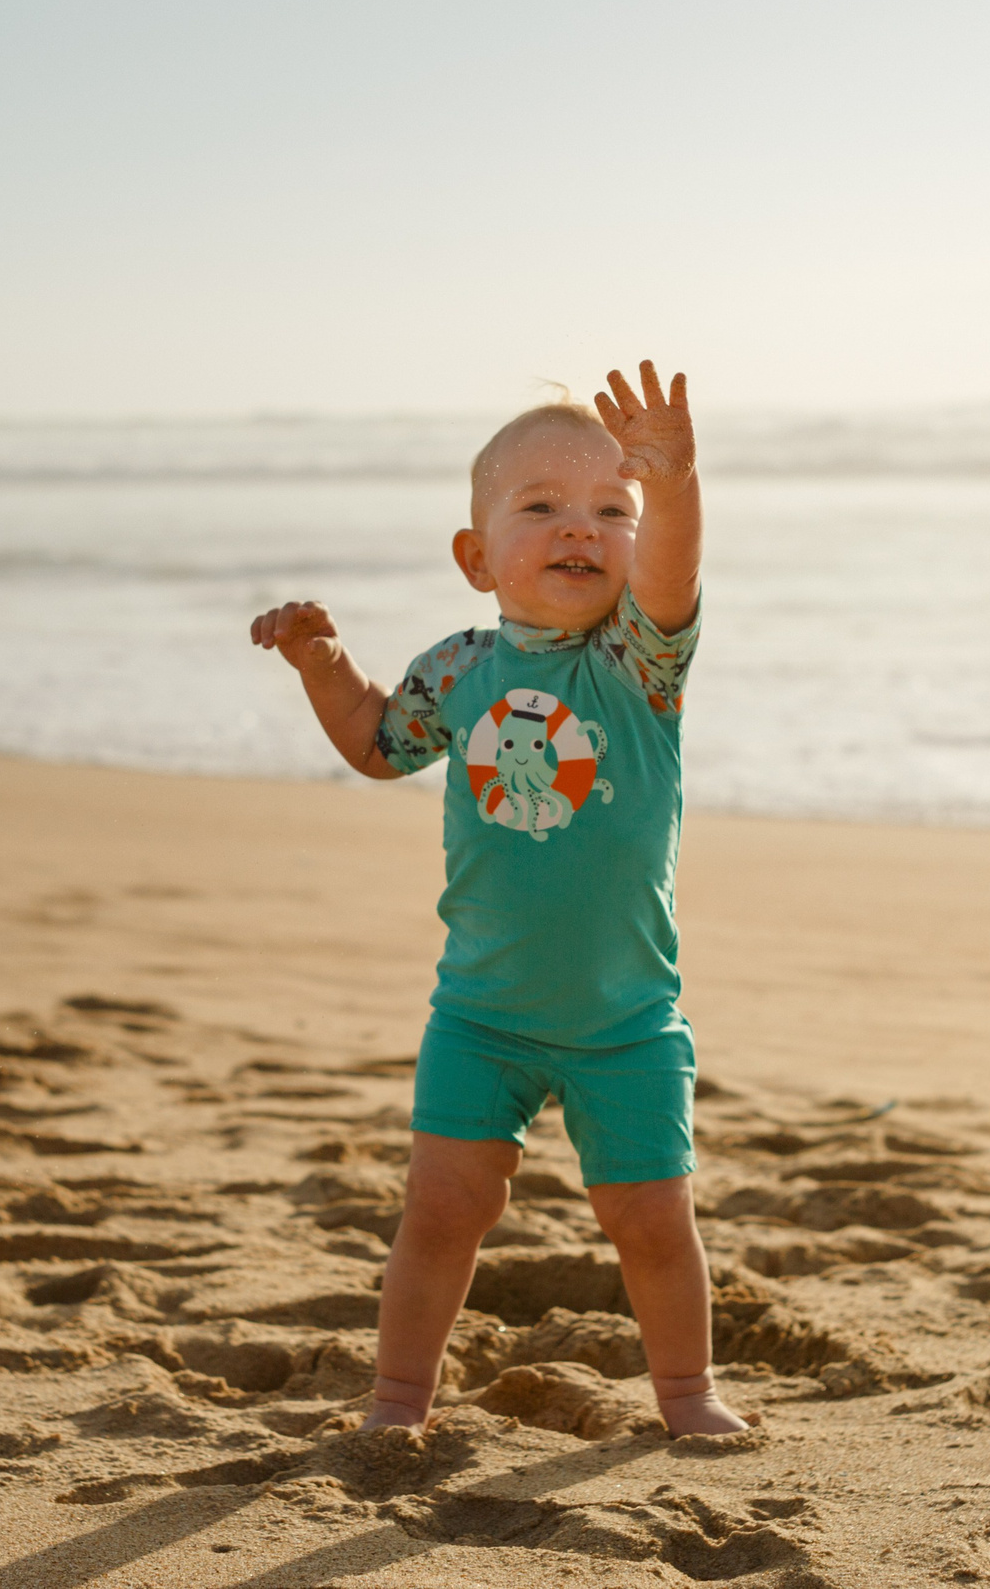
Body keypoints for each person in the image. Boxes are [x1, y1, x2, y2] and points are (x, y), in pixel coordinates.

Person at [246, 360, 748, 1438]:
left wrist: (678, 481)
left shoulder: (638, 664)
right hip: (478, 1016)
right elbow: (379, 743)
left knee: (651, 1220)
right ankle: (397, 1398)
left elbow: (672, 569)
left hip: (627, 1023)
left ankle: (685, 1392)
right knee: (442, 1211)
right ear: (476, 558)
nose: (584, 528)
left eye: (612, 510)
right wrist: (323, 664)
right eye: (542, 507)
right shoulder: (458, 671)